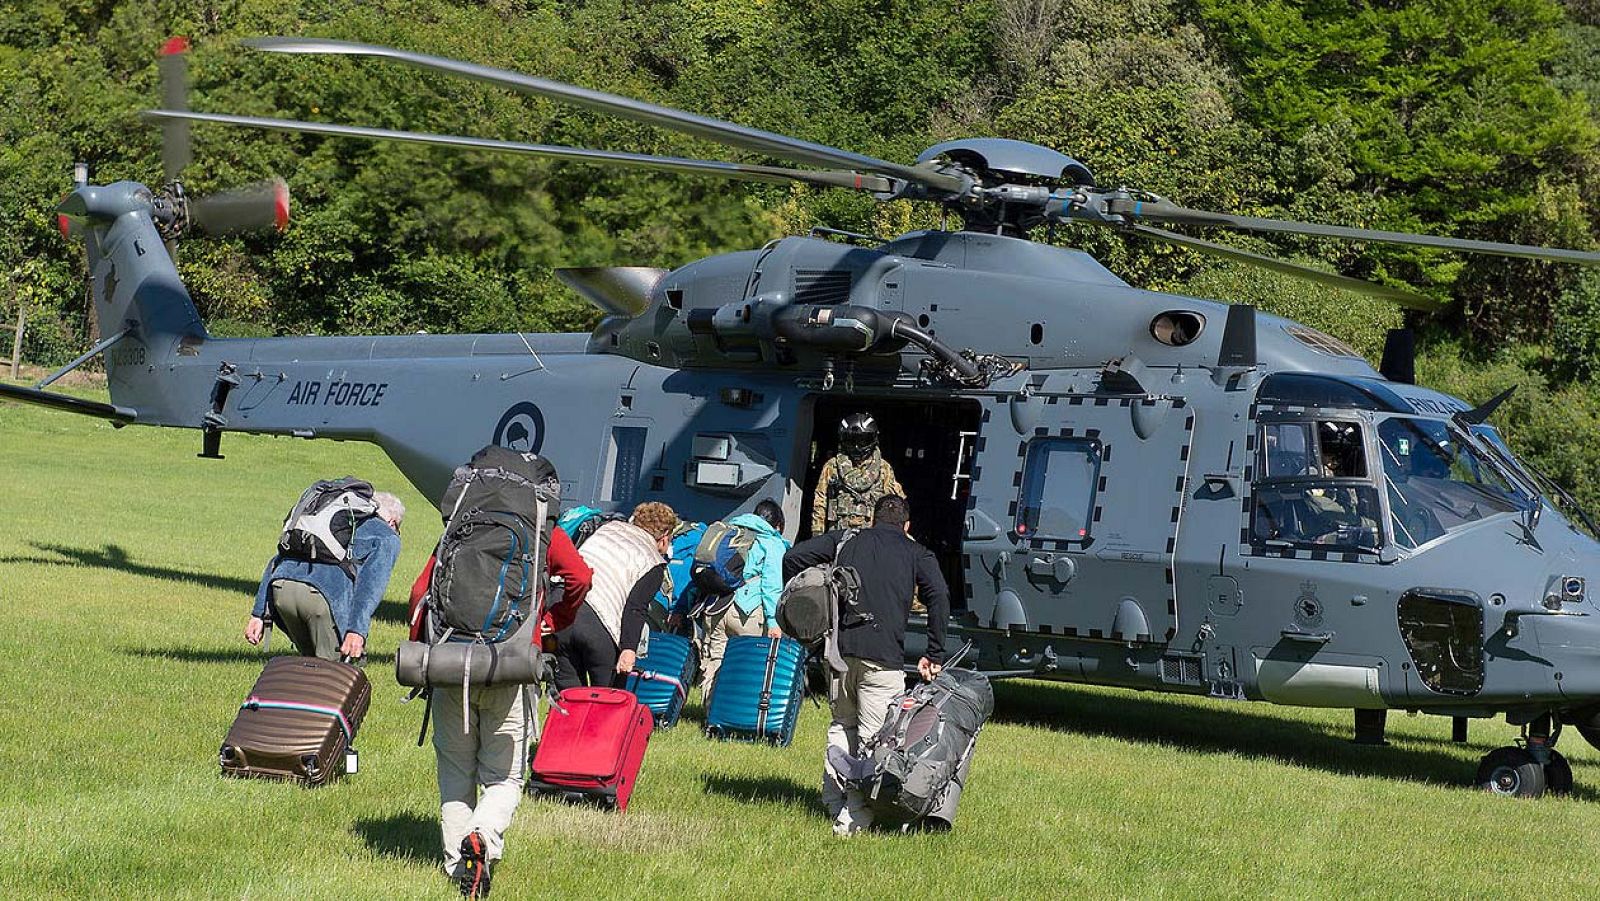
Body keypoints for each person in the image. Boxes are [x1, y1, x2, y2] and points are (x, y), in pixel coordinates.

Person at [407, 460, 593, 899]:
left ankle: (458, 870)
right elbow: (580, 578)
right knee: (504, 777)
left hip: (451, 662)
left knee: (455, 772)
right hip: (510, 663)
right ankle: (484, 837)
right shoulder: (543, 527)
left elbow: (420, 593)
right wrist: (547, 624)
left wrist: (431, 649)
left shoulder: (460, 523)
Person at [783, 494, 949, 835]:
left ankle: (832, 799)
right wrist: (934, 653)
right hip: (883, 659)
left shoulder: (845, 539)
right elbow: (940, 595)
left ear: (872, 520)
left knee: (842, 725)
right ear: (907, 526)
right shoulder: (916, 552)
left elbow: (793, 557)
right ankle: (853, 819)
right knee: (877, 742)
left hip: (839, 654)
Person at [245, 490, 405, 662]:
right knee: (333, 673)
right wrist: (357, 631)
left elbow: (279, 558)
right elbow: (370, 587)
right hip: (320, 599)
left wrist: (259, 614)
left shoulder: (333, 518)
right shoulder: (387, 536)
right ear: (392, 522)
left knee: (309, 665)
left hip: (282, 589)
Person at [555, 501, 679, 689]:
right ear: (664, 537)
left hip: (560, 611)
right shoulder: (653, 562)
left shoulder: (606, 528)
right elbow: (635, 608)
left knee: (567, 698)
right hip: (598, 624)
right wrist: (629, 650)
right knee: (608, 699)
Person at [689, 499, 790, 694]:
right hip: (748, 612)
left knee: (715, 660)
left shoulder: (729, 532)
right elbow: (771, 585)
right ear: (777, 525)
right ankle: (738, 716)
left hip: (717, 605)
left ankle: (711, 715)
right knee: (748, 665)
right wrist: (773, 621)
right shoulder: (772, 542)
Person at [811, 412, 904, 536]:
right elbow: (820, 504)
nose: (856, 446)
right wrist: (817, 536)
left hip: (871, 538)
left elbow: (895, 506)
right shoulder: (832, 467)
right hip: (838, 535)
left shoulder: (884, 469)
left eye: (862, 441)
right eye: (851, 440)